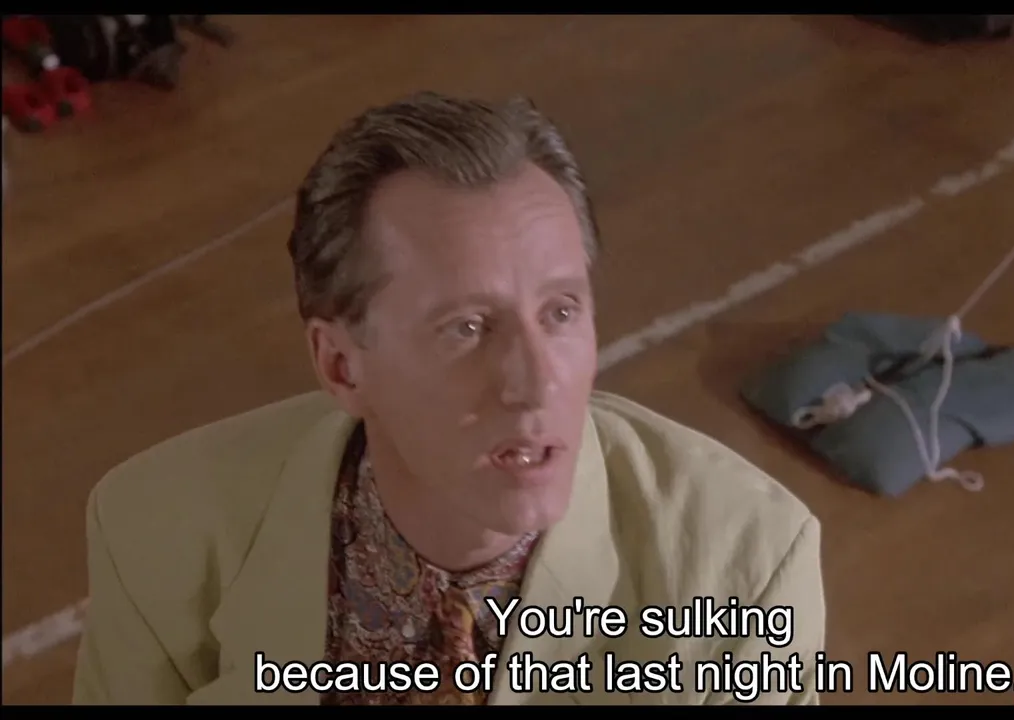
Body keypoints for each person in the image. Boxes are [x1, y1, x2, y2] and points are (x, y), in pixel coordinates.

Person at [72, 91, 825, 706]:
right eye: (466, 327)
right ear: (342, 367)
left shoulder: (746, 571)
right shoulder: (156, 530)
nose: (536, 383)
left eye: (560, 311)